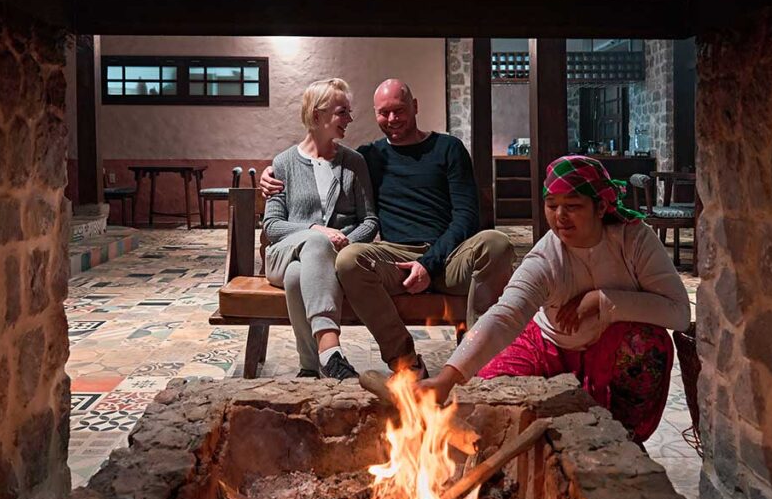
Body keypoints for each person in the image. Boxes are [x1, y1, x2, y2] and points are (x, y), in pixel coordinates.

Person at [418, 155, 690, 443]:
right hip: (548, 344)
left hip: (612, 346)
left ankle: (621, 440)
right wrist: (446, 379)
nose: (560, 216)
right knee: (488, 403)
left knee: (648, 343)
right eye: (552, 206)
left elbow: (678, 313)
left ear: (600, 207)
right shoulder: (546, 257)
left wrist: (602, 301)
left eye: (572, 206)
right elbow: (504, 315)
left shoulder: (634, 240)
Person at [261, 79, 514, 378]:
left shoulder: (448, 148)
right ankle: (405, 361)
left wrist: (428, 265)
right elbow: (320, 165)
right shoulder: (369, 157)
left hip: (449, 256)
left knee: (498, 243)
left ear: (415, 107)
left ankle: (478, 358)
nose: (392, 119)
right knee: (348, 261)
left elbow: (466, 217)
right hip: (395, 259)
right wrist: (270, 174)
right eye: (384, 113)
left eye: (399, 110)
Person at [262, 78, 378, 380]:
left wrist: (341, 243)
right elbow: (272, 226)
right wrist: (318, 231)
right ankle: (331, 350)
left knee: (297, 276)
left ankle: (310, 368)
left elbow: (370, 221)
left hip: (325, 262)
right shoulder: (283, 163)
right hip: (282, 254)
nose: (349, 120)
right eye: (342, 112)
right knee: (313, 244)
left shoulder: (354, 163)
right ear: (317, 115)